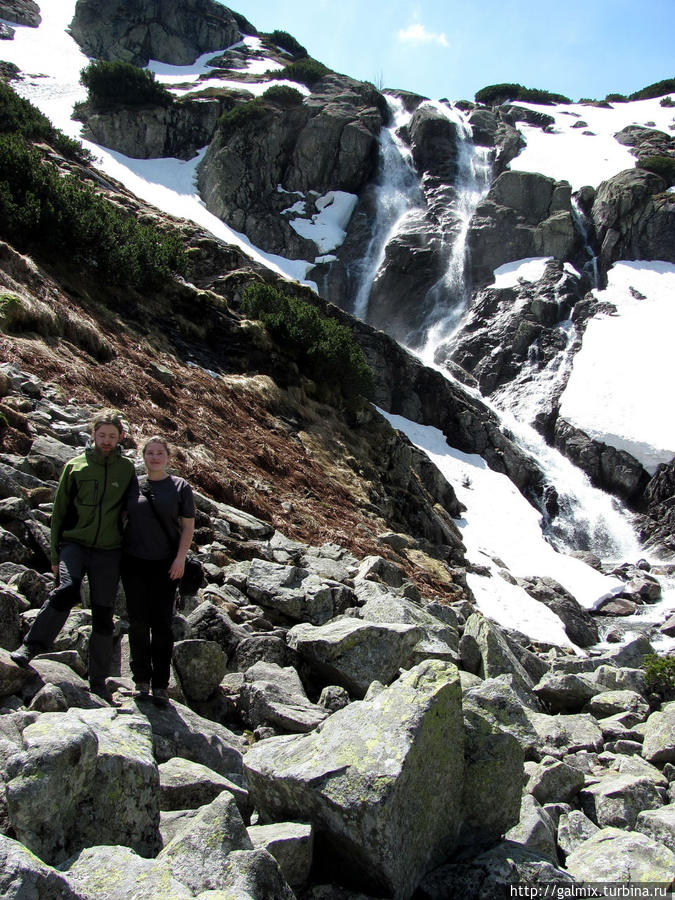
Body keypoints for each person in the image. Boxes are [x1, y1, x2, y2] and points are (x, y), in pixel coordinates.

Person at [11, 410, 135, 702]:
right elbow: (59, 514)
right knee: (67, 589)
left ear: (120, 438)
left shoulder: (126, 469)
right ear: (93, 434)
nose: (107, 441)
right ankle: (31, 646)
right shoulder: (75, 466)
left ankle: (97, 680)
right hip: (74, 544)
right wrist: (55, 556)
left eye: (112, 436)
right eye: (102, 435)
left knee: (104, 613)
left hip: (109, 550)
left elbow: (134, 509)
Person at [121, 436, 195, 706]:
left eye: (159, 453)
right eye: (150, 453)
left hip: (166, 564)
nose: (154, 458)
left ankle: (161, 685)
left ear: (168, 457)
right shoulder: (133, 485)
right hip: (133, 562)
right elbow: (121, 518)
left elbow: (187, 526)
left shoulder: (180, 487)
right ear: (143, 457)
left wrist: (181, 559)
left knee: (162, 624)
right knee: (138, 622)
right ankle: (141, 680)